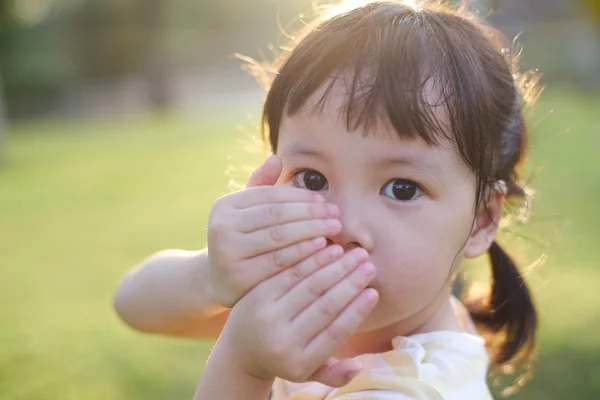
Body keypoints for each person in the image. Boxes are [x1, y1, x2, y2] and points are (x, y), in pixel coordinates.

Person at [114, 1, 542, 398]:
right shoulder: (331, 306)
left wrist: (243, 367)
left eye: (402, 188)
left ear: (482, 219)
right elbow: (132, 304)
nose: (343, 225)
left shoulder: (409, 388)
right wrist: (212, 276)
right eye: (313, 178)